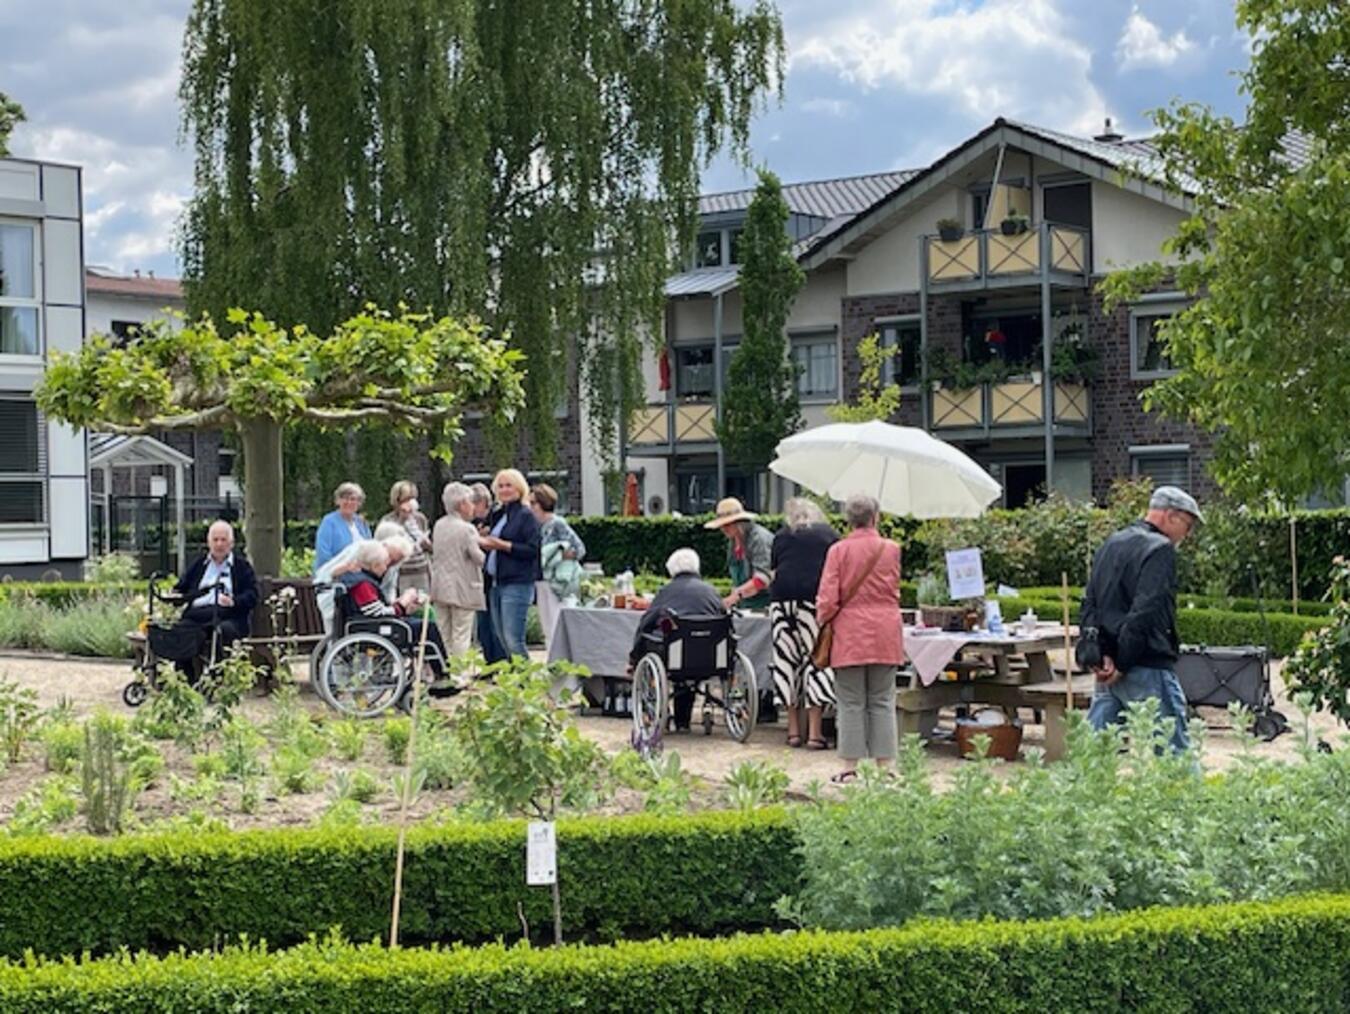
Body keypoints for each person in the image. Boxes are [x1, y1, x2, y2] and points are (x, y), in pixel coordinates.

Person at [1081, 485, 1201, 754]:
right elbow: (1145, 611)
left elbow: (1091, 604)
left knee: (1093, 755)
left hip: (1107, 669)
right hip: (1146, 663)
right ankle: (1188, 799)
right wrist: (1123, 662)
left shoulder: (1111, 543)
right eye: (1188, 524)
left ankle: (1074, 797)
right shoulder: (1160, 549)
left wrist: (1100, 656)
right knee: (1174, 754)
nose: (1188, 534)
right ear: (1170, 515)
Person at [816, 493, 902, 784]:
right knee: (882, 700)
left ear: (849, 520)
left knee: (851, 701)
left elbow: (827, 599)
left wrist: (824, 620)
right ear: (876, 517)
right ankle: (886, 766)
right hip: (886, 630)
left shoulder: (838, 551)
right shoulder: (891, 549)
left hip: (850, 632)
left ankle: (849, 768)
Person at [628, 548, 727, 731]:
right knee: (687, 657)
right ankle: (683, 722)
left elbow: (647, 622)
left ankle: (662, 713)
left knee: (664, 646)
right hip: (712, 658)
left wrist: (635, 655)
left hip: (676, 657)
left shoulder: (666, 592)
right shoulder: (712, 592)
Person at [770, 498, 839, 750]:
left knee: (786, 662)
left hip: (781, 601)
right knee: (816, 661)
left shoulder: (781, 536)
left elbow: (775, 569)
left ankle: (793, 732)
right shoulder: (828, 535)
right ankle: (815, 733)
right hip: (813, 602)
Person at [705, 496, 776, 721]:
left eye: (728, 525)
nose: (724, 529)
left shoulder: (759, 539)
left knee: (762, 651)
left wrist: (735, 596)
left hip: (765, 603)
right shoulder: (733, 542)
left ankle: (765, 701)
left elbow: (763, 578)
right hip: (745, 607)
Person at [337, 540, 447, 680]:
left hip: (373, 624)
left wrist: (403, 607)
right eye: (384, 564)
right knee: (428, 628)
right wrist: (402, 602)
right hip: (376, 628)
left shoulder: (361, 580)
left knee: (422, 623)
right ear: (374, 565)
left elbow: (375, 609)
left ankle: (439, 672)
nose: (386, 568)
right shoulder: (363, 585)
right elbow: (377, 613)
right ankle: (442, 673)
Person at [173, 520, 258, 673]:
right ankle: (186, 682)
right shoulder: (199, 564)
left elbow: (253, 595)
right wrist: (175, 595)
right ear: (209, 542)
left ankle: (218, 680)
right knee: (182, 632)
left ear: (231, 543)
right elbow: (181, 588)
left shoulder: (242, 567)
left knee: (221, 633)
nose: (219, 544)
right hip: (197, 616)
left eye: (223, 540)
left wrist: (233, 601)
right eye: (215, 540)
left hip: (228, 617)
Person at [479, 468, 540, 660]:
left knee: (514, 639)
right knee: (501, 638)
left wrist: (503, 545)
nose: (504, 490)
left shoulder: (525, 516)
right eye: (501, 486)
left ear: (519, 488)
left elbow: (532, 549)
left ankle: (527, 680)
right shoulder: (497, 515)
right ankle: (514, 680)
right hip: (496, 582)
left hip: (517, 582)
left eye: (509, 485)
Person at [315, 530, 415, 634]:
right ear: (384, 546)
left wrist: (397, 605)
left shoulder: (387, 568)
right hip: (335, 598)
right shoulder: (361, 552)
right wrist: (400, 605)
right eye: (389, 558)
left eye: (394, 562)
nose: (388, 564)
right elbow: (329, 573)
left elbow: (389, 589)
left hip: (367, 607)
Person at [429, 482, 485, 658]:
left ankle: (446, 669)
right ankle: (459, 674)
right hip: (463, 587)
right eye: (470, 502)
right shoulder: (467, 529)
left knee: (444, 632)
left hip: (439, 586)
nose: (473, 507)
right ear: (462, 504)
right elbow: (478, 557)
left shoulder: (439, 525)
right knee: (461, 633)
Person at [530, 483, 586, 652]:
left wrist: (560, 554)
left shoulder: (557, 523)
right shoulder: (537, 526)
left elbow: (579, 549)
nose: (530, 507)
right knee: (546, 625)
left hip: (558, 582)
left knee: (556, 622)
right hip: (542, 580)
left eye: (533, 503)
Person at [379, 480, 433, 594]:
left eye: (412, 499)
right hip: (401, 573)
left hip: (421, 570)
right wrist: (402, 519)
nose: (410, 503)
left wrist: (426, 544)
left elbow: (429, 546)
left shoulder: (420, 519)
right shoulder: (388, 521)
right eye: (406, 499)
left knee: (422, 605)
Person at [467, 482, 501, 660]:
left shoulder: (495, 518)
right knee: (483, 623)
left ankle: (499, 659)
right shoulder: (472, 523)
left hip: (490, 576)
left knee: (494, 622)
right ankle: (489, 659)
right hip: (478, 579)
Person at [314, 482, 371, 571]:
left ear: (359, 503)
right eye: (345, 498)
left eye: (353, 499)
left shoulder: (361, 523)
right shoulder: (329, 522)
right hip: (336, 574)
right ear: (338, 501)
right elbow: (323, 554)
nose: (349, 502)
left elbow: (370, 548)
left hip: (362, 572)